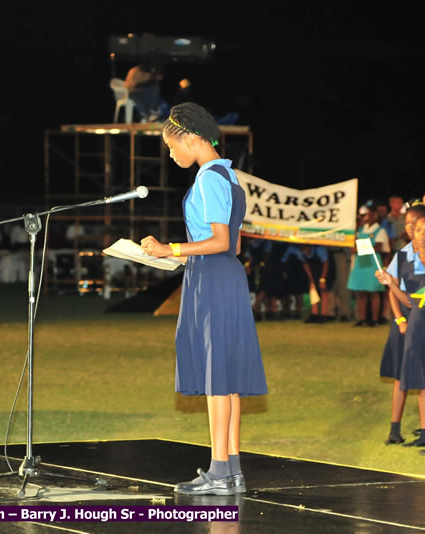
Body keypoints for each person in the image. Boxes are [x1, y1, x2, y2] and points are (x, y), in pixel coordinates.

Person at [140, 102, 267, 496]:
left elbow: (222, 241)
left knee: (217, 380)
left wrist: (170, 250)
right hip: (223, 275)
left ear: (190, 137)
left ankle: (218, 471)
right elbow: (236, 243)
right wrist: (184, 255)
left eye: (171, 146)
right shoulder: (230, 177)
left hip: (212, 279)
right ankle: (230, 471)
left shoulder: (209, 178)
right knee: (225, 380)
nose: (171, 154)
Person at [376, 212, 425, 449]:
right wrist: (391, 284)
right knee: (413, 377)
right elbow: (406, 301)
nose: (419, 233)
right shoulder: (405, 258)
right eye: (414, 228)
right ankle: (421, 432)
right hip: (413, 325)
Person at [348, 203, 390, 326]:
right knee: (361, 292)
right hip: (360, 264)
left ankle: (375, 319)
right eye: (366, 215)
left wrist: (359, 249)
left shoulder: (380, 230)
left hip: (372, 263)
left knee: (373, 291)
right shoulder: (360, 230)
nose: (368, 217)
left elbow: (379, 247)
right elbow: (353, 247)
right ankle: (362, 318)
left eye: (370, 214)